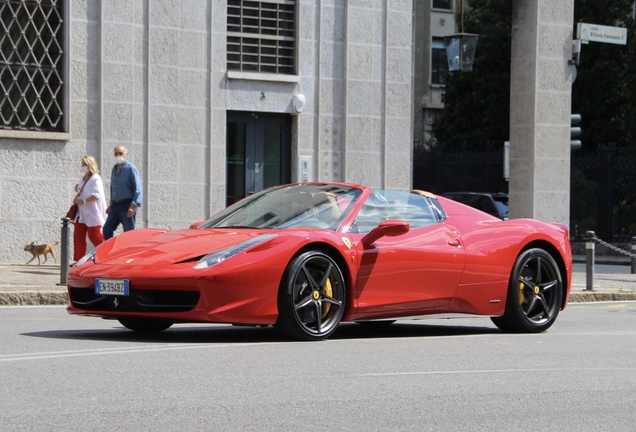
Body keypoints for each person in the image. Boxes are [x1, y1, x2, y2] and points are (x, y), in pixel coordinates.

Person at [103, 144, 143, 240]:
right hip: (115, 206)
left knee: (128, 234)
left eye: (121, 153)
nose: (118, 156)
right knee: (106, 230)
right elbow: (114, 187)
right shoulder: (114, 169)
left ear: (126, 154)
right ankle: (113, 252)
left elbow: (138, 189)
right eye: (116, 153)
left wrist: (133, 206)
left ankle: (128, 253)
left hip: (127, 205)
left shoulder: (130, 169)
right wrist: (111, 203)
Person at [73, 155, 107, 261]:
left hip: (92, 213)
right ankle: (79, 261)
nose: (83, 166)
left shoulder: (95, 178)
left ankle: (106, 256)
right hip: (81, 213)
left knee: (95, 236)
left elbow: (97, 195)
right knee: (78, 237)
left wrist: (84, 201)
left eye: (85, 164)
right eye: (82, 163)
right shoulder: (83, 178)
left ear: (90, 165)